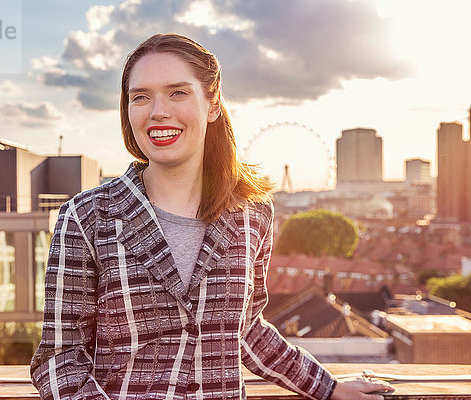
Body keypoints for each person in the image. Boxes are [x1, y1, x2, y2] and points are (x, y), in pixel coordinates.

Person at [30, 33, 394, 400]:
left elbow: (247, 330)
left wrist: (329, 388)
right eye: (141, 97)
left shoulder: (254, 214)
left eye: (178, 92)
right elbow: (59, 358)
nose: (158, 111)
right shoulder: (87, 216)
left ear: (213, 103)